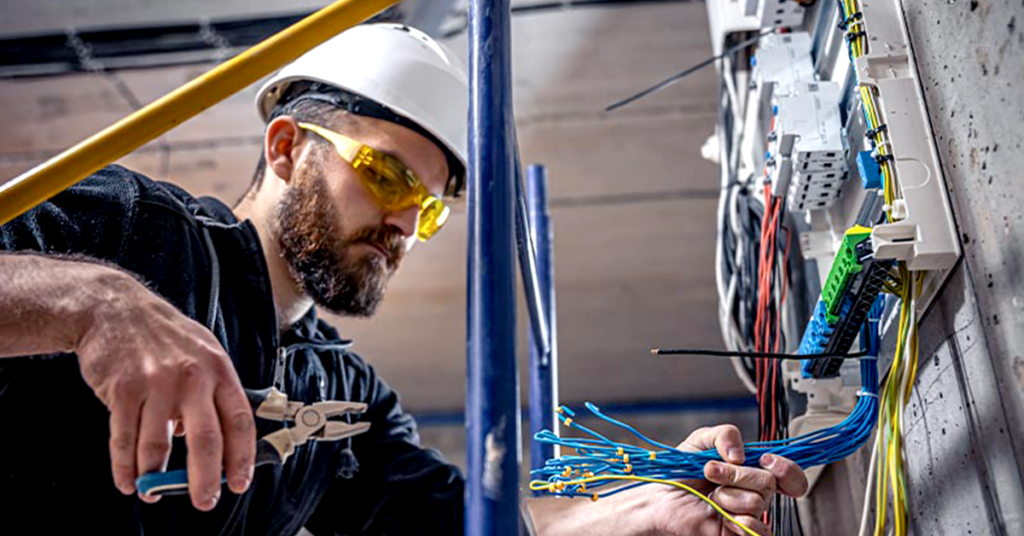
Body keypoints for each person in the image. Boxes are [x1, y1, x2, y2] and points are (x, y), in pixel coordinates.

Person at [0, 24, 806, 535]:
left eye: (428, 210)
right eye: (386, 176)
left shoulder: (344, 395)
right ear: (286, 148)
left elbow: (468, 527)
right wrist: (92, 303)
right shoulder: (133, 230)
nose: (403, 224)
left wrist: (646, 505)